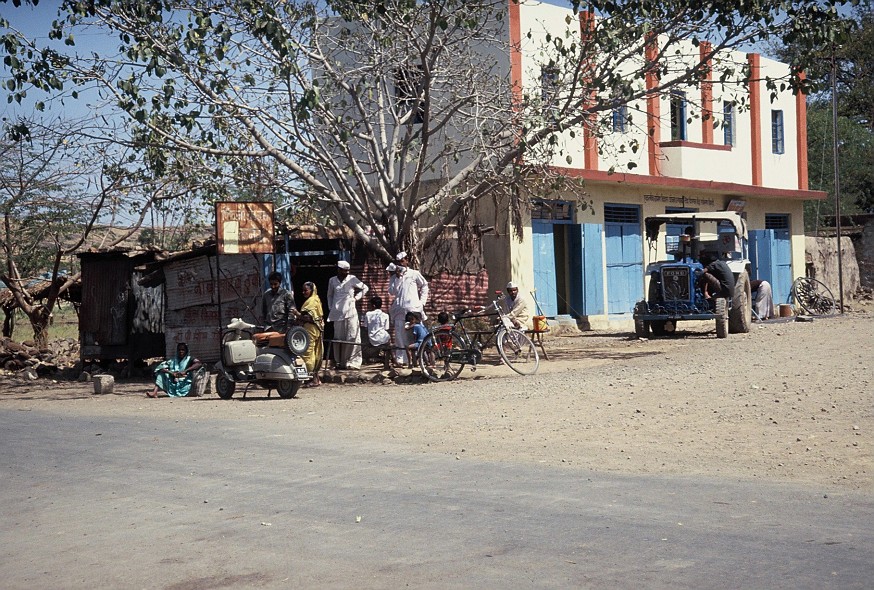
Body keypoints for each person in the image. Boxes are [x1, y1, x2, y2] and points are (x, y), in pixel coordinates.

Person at [388, 252, 429, 366]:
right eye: (398, 262)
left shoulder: (414, 274)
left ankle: (418, 358)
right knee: (400, 334)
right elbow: (392, 292)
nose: (400, 264)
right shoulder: (394, 277)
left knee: (415, 334)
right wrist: (397, 278)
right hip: (399, 310)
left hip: (413, 310)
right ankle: (402, 360)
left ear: (407, 261)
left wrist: (422, 303)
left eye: (402, 261)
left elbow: (425, 286)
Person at [326, 260, 369, 370]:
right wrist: (331, 307)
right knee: (338, 338)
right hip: (337, 314)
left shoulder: (352, 279)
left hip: (351, 312)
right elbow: (329, 295)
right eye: (344, 271)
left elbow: (365, 288)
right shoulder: (332, 280)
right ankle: (339, 362)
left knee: (352, 336)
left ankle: (353, 362)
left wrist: (356, 298)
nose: (346, 273)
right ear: (339, 270)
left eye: (347, 271)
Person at [299, 281, 324, 387]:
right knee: (313, 353)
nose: (303, 292)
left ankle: (312, 379)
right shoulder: (314, 299)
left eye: (306, 290)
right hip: (312, 330)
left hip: (311, 330)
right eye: (303, 290)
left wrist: (297, 314)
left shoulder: (312, 301)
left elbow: (310, 318)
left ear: (312, 290)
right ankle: (315, 378)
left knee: (308, 353)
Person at [365, 295, 392, 369]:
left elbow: (365, 327)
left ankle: (389, 359)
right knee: (389, 341)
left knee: (387, 341)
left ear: (373, 306)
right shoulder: (385, 315)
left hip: (372, 339)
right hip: (383, 338)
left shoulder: (367, 314)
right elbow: (386, 328)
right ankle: (391, 360)